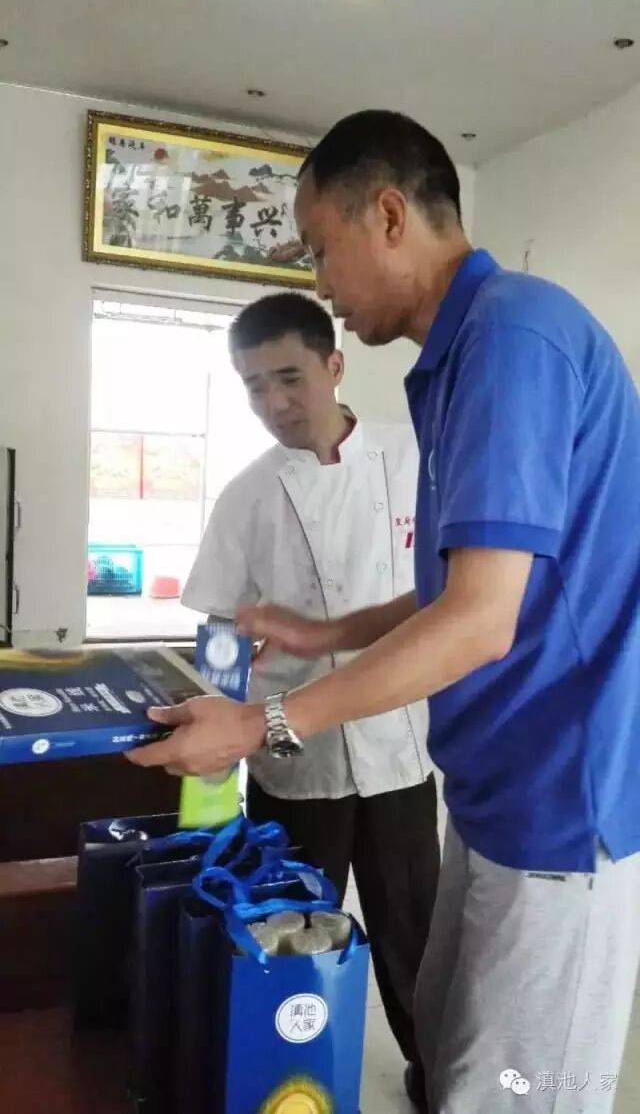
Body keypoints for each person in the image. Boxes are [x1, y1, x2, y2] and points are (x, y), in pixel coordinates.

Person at [130, 110, 640, 1114]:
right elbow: (464, 587)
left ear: (391, 216)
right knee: (444, 1054)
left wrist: (262, 722)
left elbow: (479, 621)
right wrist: (320, 635)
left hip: (559, 796)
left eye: (323, 248)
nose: (321, 281)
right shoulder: (454, 362)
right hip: (490, 788)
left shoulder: (513, 337)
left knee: (514, 1092)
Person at [181, 291, 439, 1097]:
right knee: (288, 930)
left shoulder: (415, 457)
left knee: (414, 931)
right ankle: (284, 1076)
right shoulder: (247, 495)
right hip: (292, 753)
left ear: (334, 364)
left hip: (400, 745)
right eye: (254, 386)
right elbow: (220, 633)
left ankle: (435, 1069)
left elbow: (450, 595)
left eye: (289, 378)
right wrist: (213, 762)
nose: (273, 403)